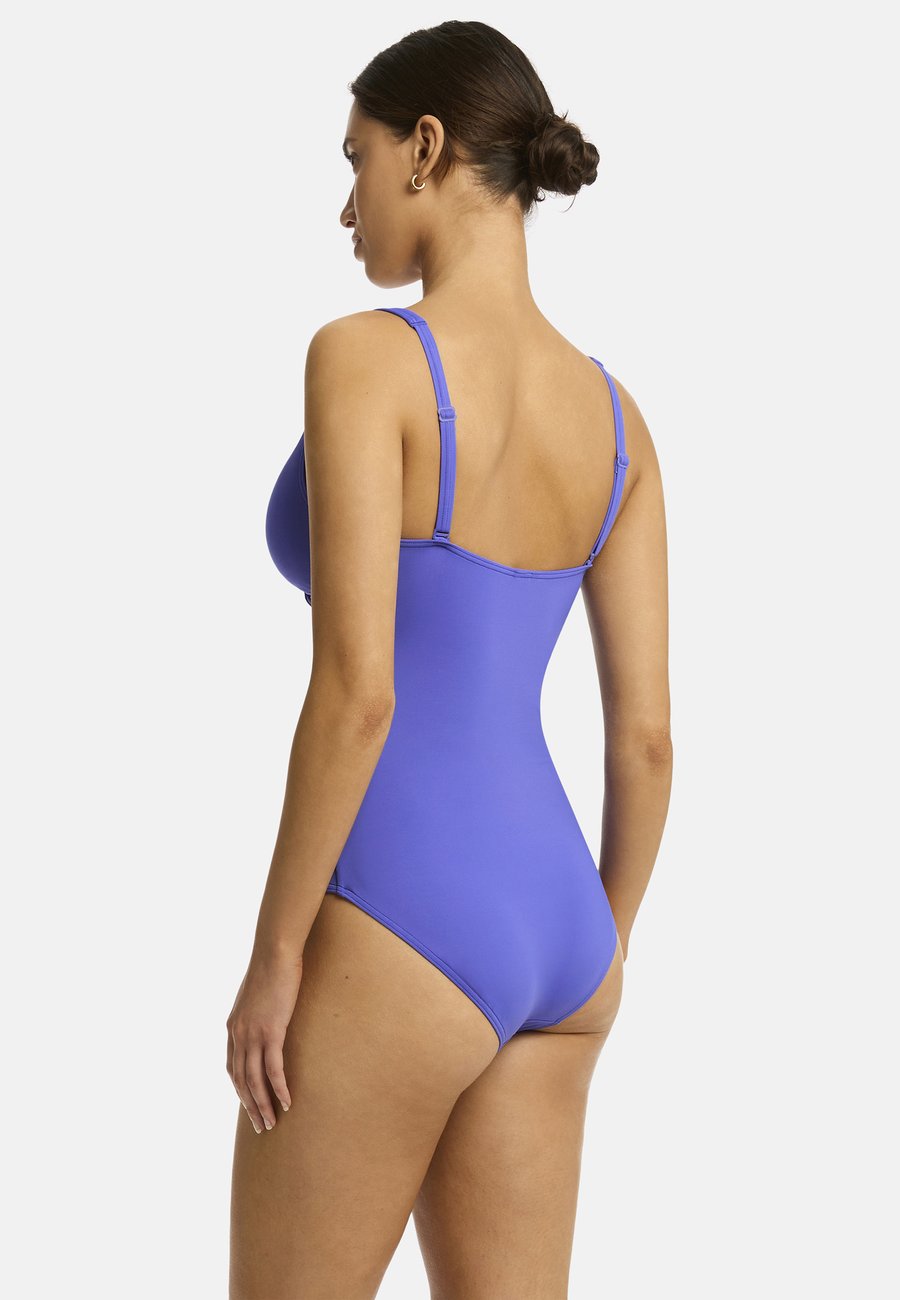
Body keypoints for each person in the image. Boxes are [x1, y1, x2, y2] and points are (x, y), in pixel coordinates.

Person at [227, 19, 672, 1300]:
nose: (346, 204)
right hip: (564, 929)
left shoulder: (366, 359)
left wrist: (275, 956)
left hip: (401, 911)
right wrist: (600, 947)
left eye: (356, 159)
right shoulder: (619, 422)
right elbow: (648, 742)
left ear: (424, 148)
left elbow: (359, 695)